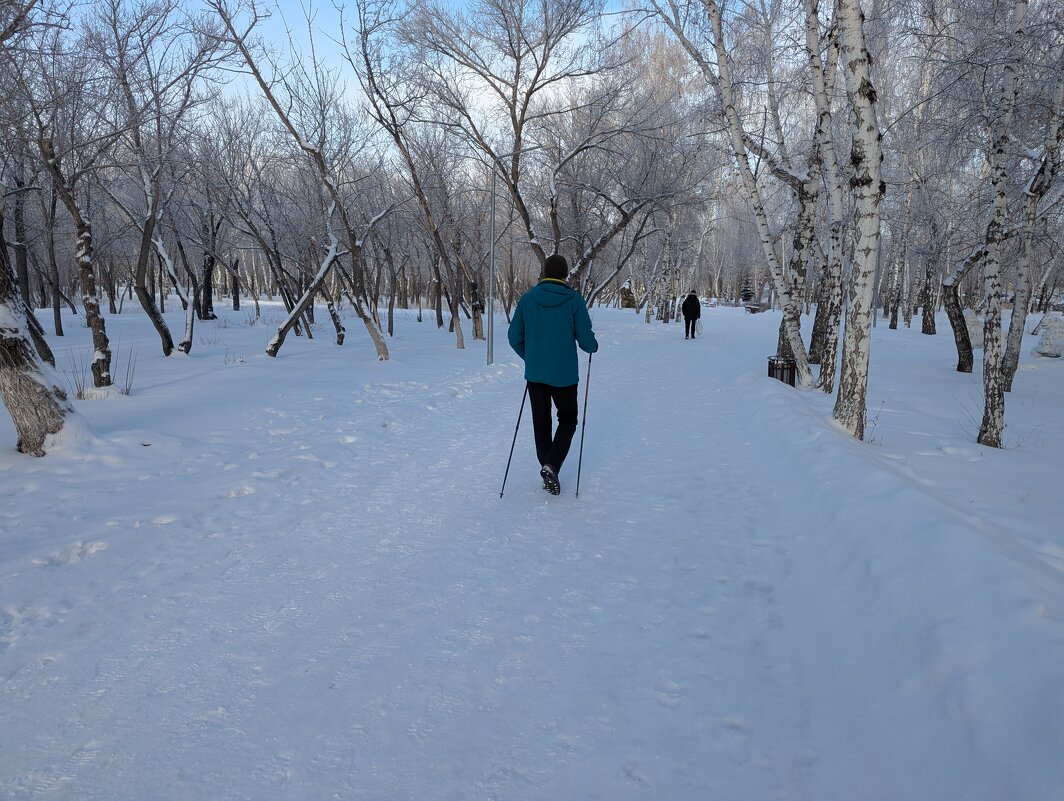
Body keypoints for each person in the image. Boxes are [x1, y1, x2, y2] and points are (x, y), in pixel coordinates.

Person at [507, 254, 598, 495]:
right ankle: (552, 465)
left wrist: (532, 358)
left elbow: (513, 337)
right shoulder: (574, 301)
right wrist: (593, 346)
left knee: (541, 422)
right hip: (565, 375)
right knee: (568, 420)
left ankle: (547, 466)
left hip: (536, 375)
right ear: (565, 275)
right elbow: (586, 341)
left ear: (544, 272)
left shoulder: (527, 299)